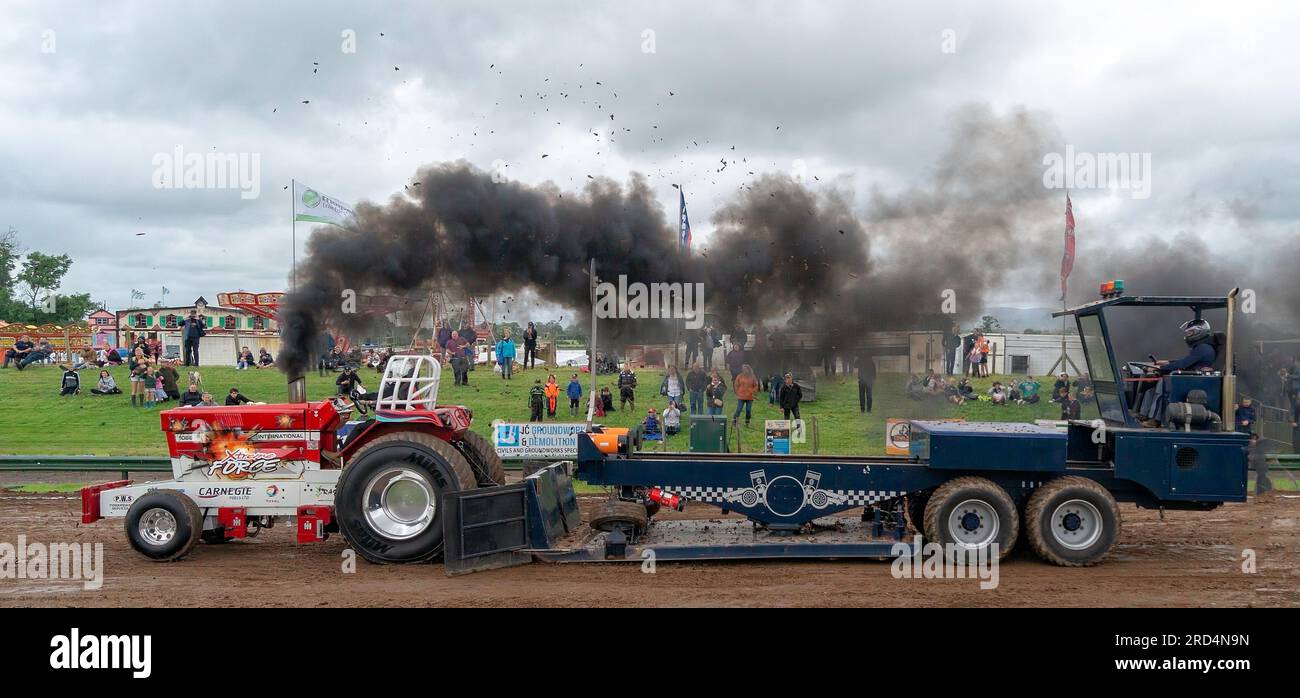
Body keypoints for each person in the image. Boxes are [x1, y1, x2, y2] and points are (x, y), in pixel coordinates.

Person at [1248, 433, 1272, 498]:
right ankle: (1261, 492)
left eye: (1255, 438)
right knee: (1261, 476)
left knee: (1262, 476)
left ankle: (1261, 492)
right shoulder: (1249, 445)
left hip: (1260, 464)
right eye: (1252, 438)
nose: (1253, 440)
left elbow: (1265, 449)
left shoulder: (1260, 445)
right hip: (1255, 462)